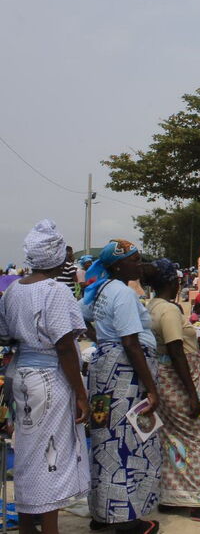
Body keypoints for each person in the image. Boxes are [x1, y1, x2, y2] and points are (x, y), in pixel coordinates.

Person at [0, 220, 89, 534]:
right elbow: (65, 346)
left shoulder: (12, 291)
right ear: (58, 257)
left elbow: (6, 337)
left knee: (27, 452)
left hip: (22, 377)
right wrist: (80, 393)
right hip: (50, 380)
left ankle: (28, 527)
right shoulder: (56, 292)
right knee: (51, 455)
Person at [82, 239, 162, 533]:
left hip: (105, 369)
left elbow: (83, 319)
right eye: (134, 259)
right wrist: (151, 388)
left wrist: (103, 338)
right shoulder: (122, 294)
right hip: (126, 376)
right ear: (118, 264)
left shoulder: (99, 290)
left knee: (106, 439)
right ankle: (126, 519)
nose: (139, 265)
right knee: (129, 441)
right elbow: (131, 341)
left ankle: (103, 512)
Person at [144, 259, 200, 523]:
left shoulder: (152, 306)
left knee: (170, 437)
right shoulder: (169, 311)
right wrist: (193, 394)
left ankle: (172, 496)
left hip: (164, 379)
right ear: (173, 281)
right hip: (178, 381)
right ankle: (198, 502)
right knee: (195, 437)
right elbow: (175, 348)